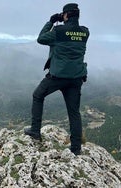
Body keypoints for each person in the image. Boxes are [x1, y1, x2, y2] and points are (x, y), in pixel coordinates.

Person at [24, 3, 90, 155]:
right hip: (76, 78)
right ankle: (76, 148)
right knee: (74, 113)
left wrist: (51, 21)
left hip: (57, 77)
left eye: (63, 14)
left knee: (38, 95)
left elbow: (41, 38)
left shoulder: (58, 31)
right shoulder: (85, 32)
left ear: (66, 15)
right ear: (77, 15)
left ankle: (35, 130)